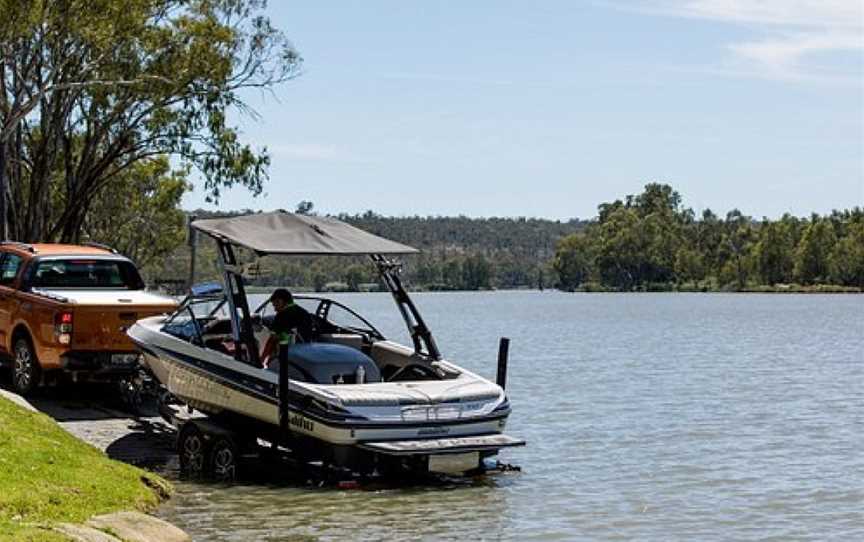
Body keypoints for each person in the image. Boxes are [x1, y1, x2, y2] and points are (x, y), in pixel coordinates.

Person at [261, 288, 313, 364]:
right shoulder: (305, 313)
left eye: (275, 305)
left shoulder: (282, 316)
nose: (275, 310)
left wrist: (262, 360)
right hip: (304, 355)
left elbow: (272, 341)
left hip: (287, 357)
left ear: (280, 301)